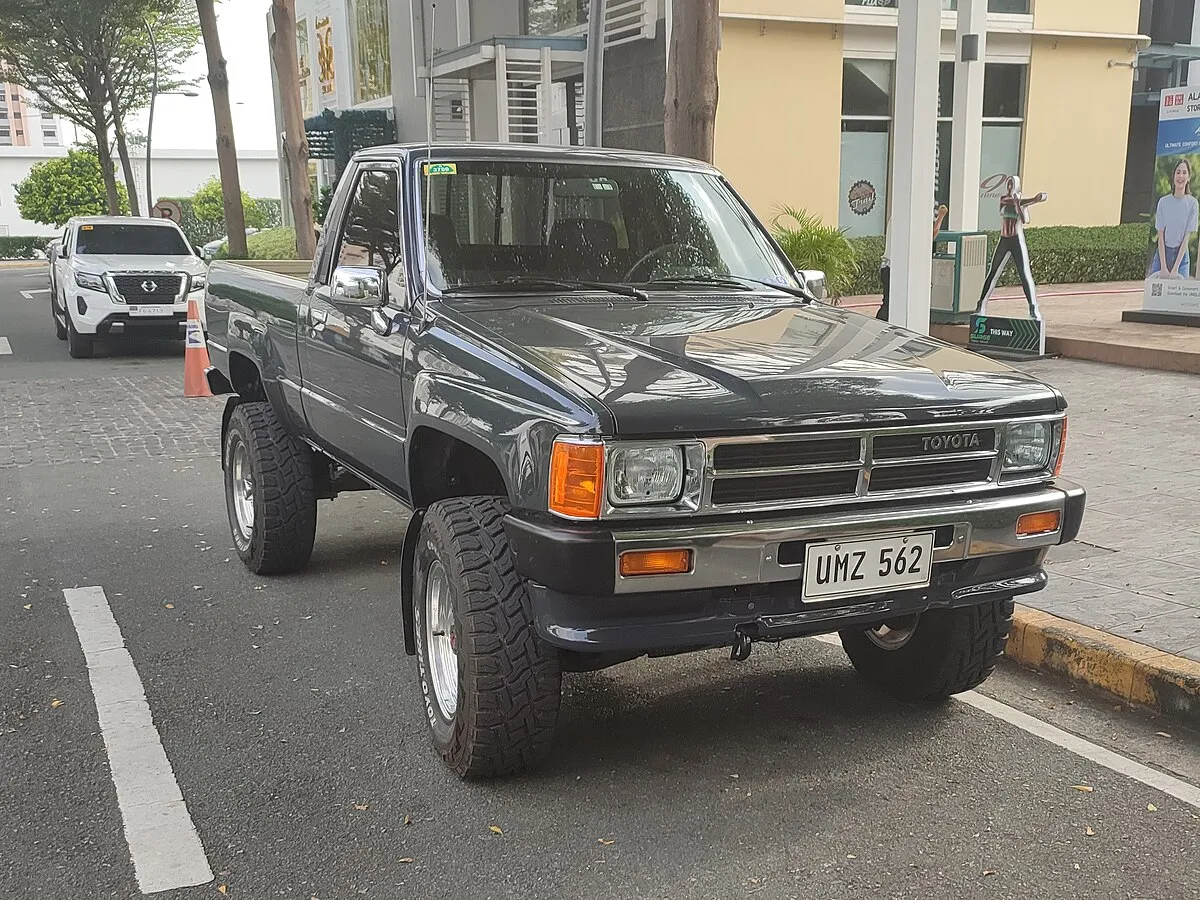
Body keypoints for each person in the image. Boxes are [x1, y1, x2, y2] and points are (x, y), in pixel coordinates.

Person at [974, 175, 1047, 321]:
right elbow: (1005, 205)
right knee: (993, 272)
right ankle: (981, 305)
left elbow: (1025, 219)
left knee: (1024, 273)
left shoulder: (1019, 201)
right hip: (1004, 239)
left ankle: (1033, 307)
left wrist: (1022, 204)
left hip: (1015, 239)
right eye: (1008, 184)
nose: (1009, 187)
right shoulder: (1004, 198)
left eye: (1011, 184)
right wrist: (1031, 200)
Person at [877, 202, 949, 322]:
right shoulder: (911, 218)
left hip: (888, 266)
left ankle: (880, 329)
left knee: (889, 303)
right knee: (899, 304)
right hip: (897, 269)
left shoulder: (897, 216)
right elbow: (930, 236)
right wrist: (941, 216)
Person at [1149, 159, 1198, 281]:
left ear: (1188, 178)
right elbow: (1160, 235)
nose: (1181, 176)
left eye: (1184, 173)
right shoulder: (1163, 202)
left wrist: (1175, 269)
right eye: (1178, 172)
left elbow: (1186, 238)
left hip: (1181, 257)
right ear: (1174, 175)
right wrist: (1164, 268)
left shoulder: (1192, 204)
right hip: (1162, 254)